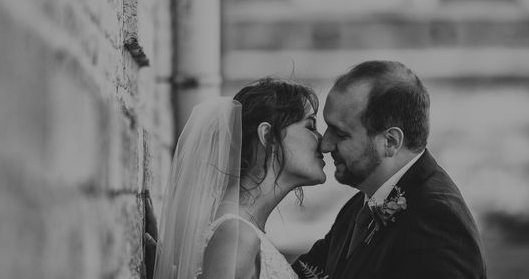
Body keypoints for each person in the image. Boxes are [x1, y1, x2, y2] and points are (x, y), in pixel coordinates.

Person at [293, 60, 487, 279]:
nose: (325, 145)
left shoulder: (437, 222)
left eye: (341, 133)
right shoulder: (360, 206)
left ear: (391, 142)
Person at [151, 78, 327, 279]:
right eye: (311, 126)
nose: (322, 140)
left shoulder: (237, 232)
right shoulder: (237, 236)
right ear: (268, 136)